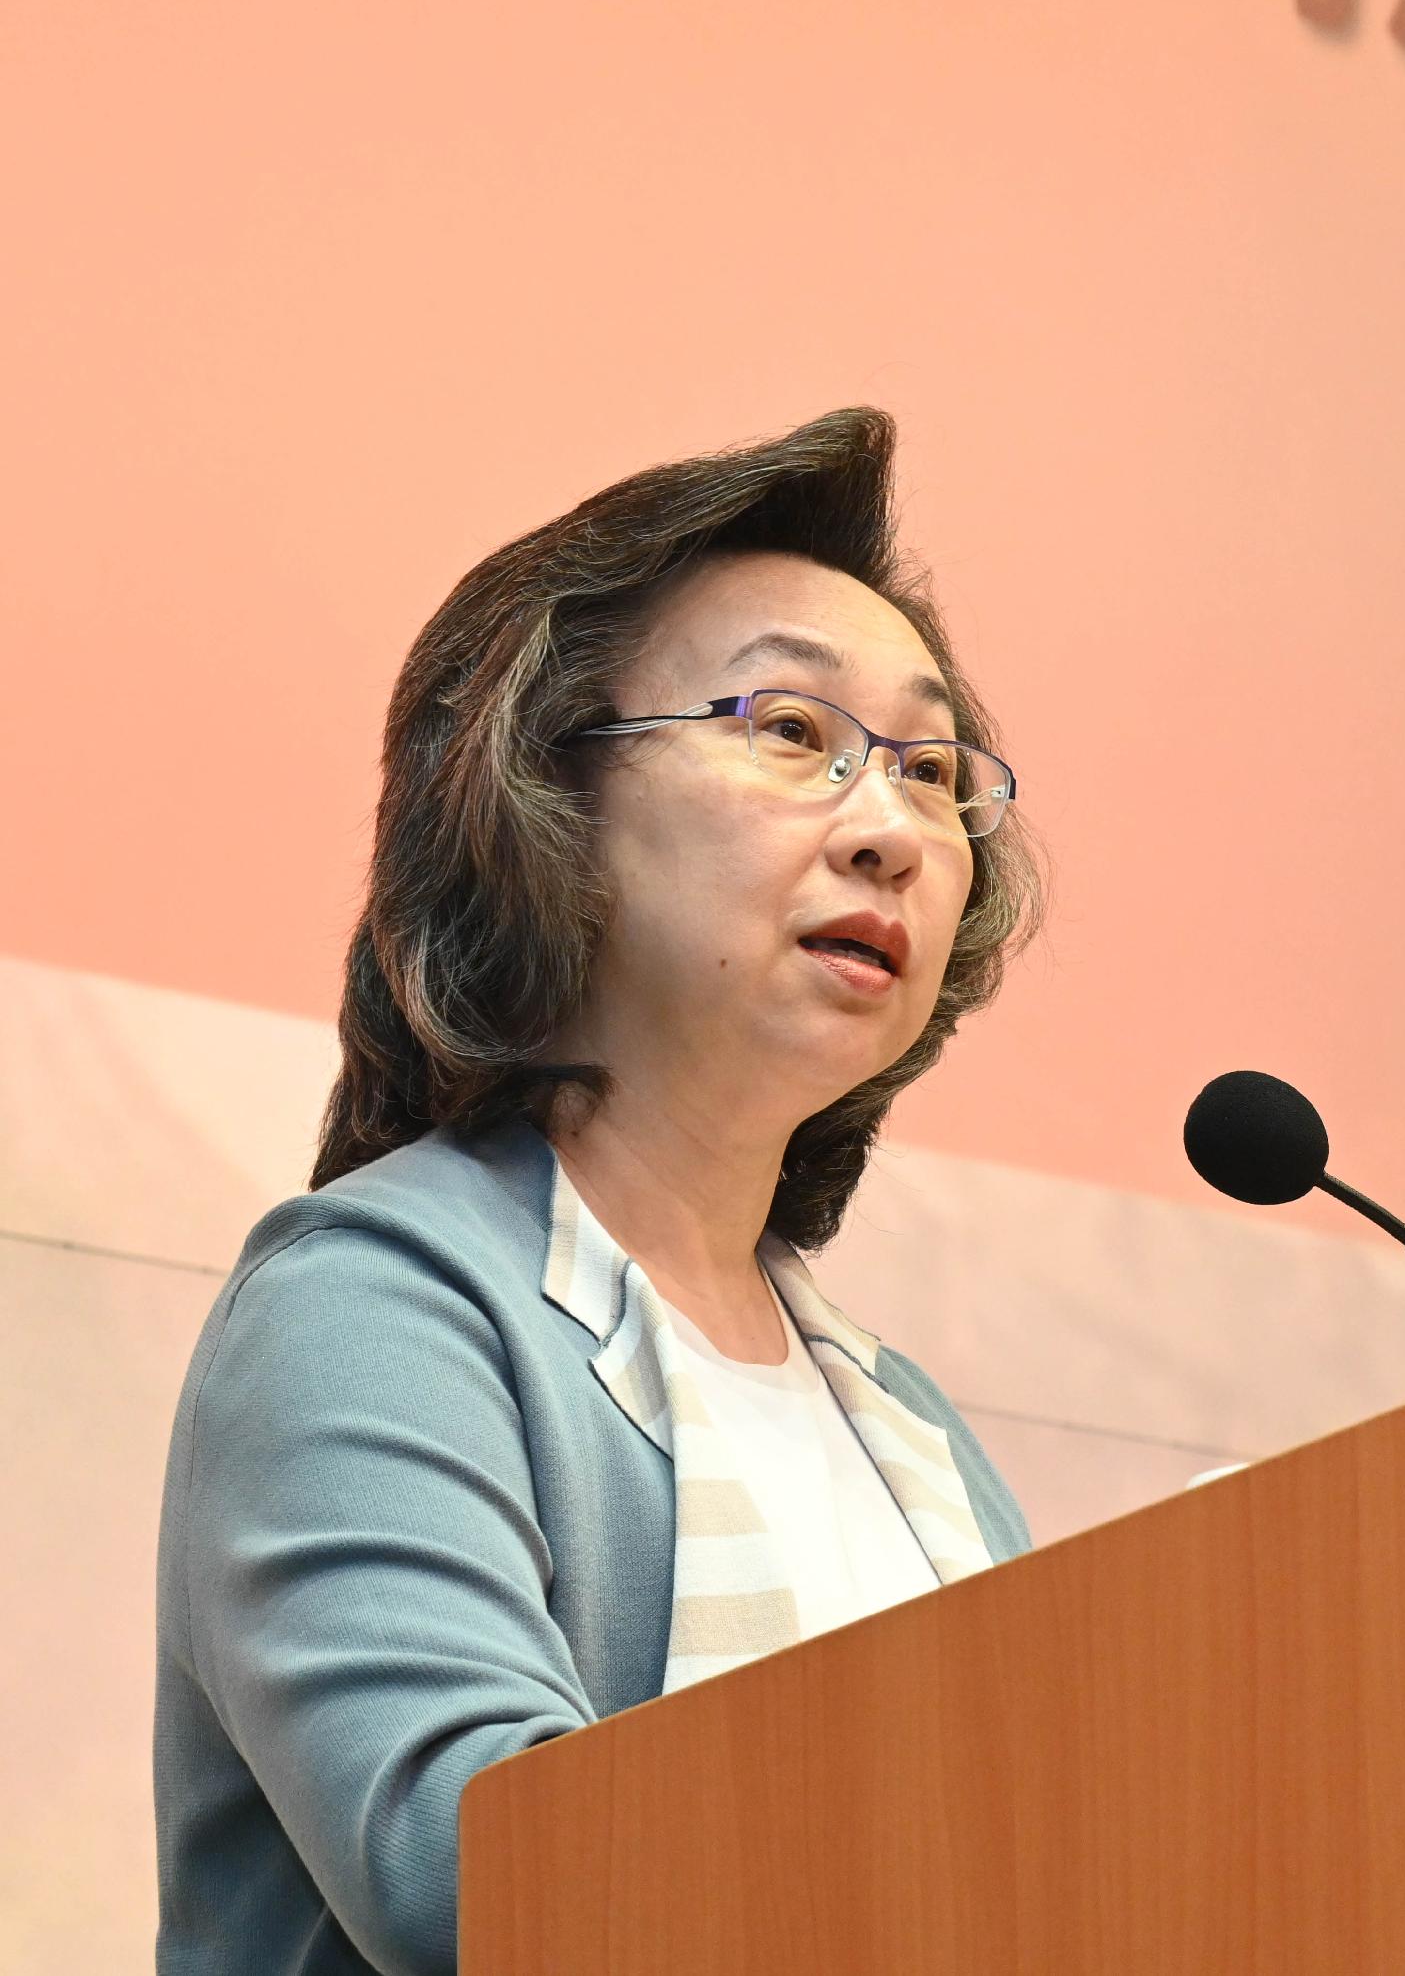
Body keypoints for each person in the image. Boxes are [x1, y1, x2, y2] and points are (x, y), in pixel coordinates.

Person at [153, 410, 1044, 1976]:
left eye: (926, 768)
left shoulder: (912, 1438)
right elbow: (491, 1880)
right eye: (794, 731)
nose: (895, 829)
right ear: (545, 796)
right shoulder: (370, 1307)